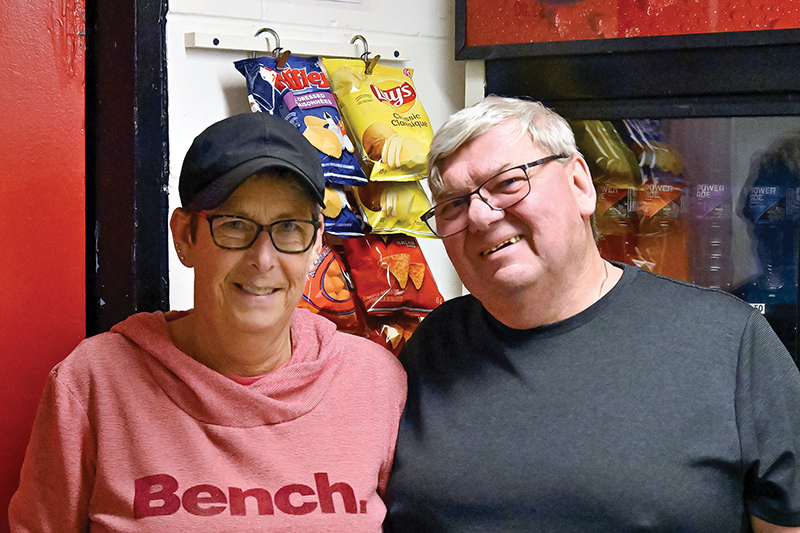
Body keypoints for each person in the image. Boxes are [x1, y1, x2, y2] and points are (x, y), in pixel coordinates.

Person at [384, 95, 800, 532]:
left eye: (507, 183)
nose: (481, 216)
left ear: (581, 184)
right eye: (453, 204)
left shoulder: (728, 342)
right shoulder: (434, 345)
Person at [9, 112, 406, 532]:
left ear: (315, 244)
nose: (263, 259)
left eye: (289, 228)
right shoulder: (94, 384)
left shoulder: (375, 383)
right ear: (184, 237)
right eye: (235, 226)